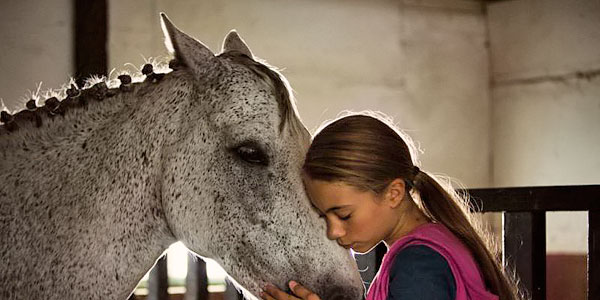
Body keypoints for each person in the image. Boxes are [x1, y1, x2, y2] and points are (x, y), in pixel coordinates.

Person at [260, 113, 521, 300]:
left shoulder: (418, 266)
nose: (333, 231)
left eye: (343, 215)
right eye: (324, 215)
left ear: (394, 193)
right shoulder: (427, 248)